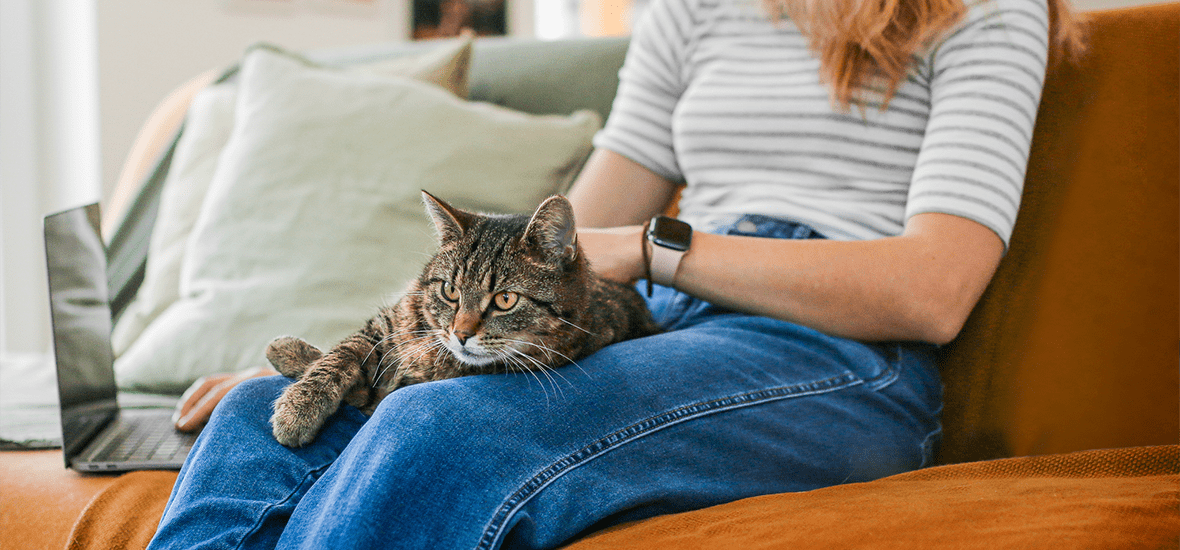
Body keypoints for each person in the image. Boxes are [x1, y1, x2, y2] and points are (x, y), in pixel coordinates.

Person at [149, 0, 1084, 548]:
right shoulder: (697, 7)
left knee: (446, 428)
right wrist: (360, 359)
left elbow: (935, 290)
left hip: (845, 353)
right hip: (663, 321)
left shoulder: (984, 11)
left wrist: (656, 247)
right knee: (257, 416)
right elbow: (564, 235)